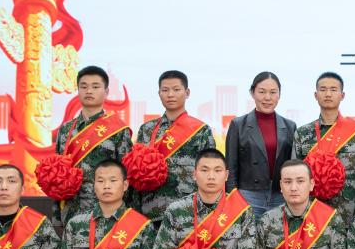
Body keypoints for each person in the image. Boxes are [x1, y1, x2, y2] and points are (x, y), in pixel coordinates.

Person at [48, 65, 133, 226]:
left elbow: (126, 175)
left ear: (106, 92)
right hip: (71, 212)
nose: (89, 91)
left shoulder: (117, 130)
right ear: (78, 90)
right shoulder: (66, 129)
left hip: (107, 212)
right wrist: (57, 218)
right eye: (84, 86)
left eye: (95, 87)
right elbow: (57, 173)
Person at [131, 70, 215, 228]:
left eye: (176, 89)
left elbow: (209, 172)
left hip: (187, 212)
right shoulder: (147, 129)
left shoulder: (200, 130)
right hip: (150, 210)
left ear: (187, 92)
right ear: (159, 93)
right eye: (165, 90)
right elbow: (135, 172)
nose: (170, 94)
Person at [293, 71, 355, 224]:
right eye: (323, 89)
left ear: (342, 95)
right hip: (312, 210)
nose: (328, 94)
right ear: (316, 95)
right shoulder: (303, 133)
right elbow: (296, 174)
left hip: (347, 211)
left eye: (333, 89)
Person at [226, 72, 297, 214]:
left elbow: (294, 164)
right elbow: (230, 166)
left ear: (279, 94)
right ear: (252, 93)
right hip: (248, 195)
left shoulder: (290, 126)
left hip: (280, 195)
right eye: (262, 92)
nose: (267, 97)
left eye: (273, 92)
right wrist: (231, 196)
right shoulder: (238, 125)